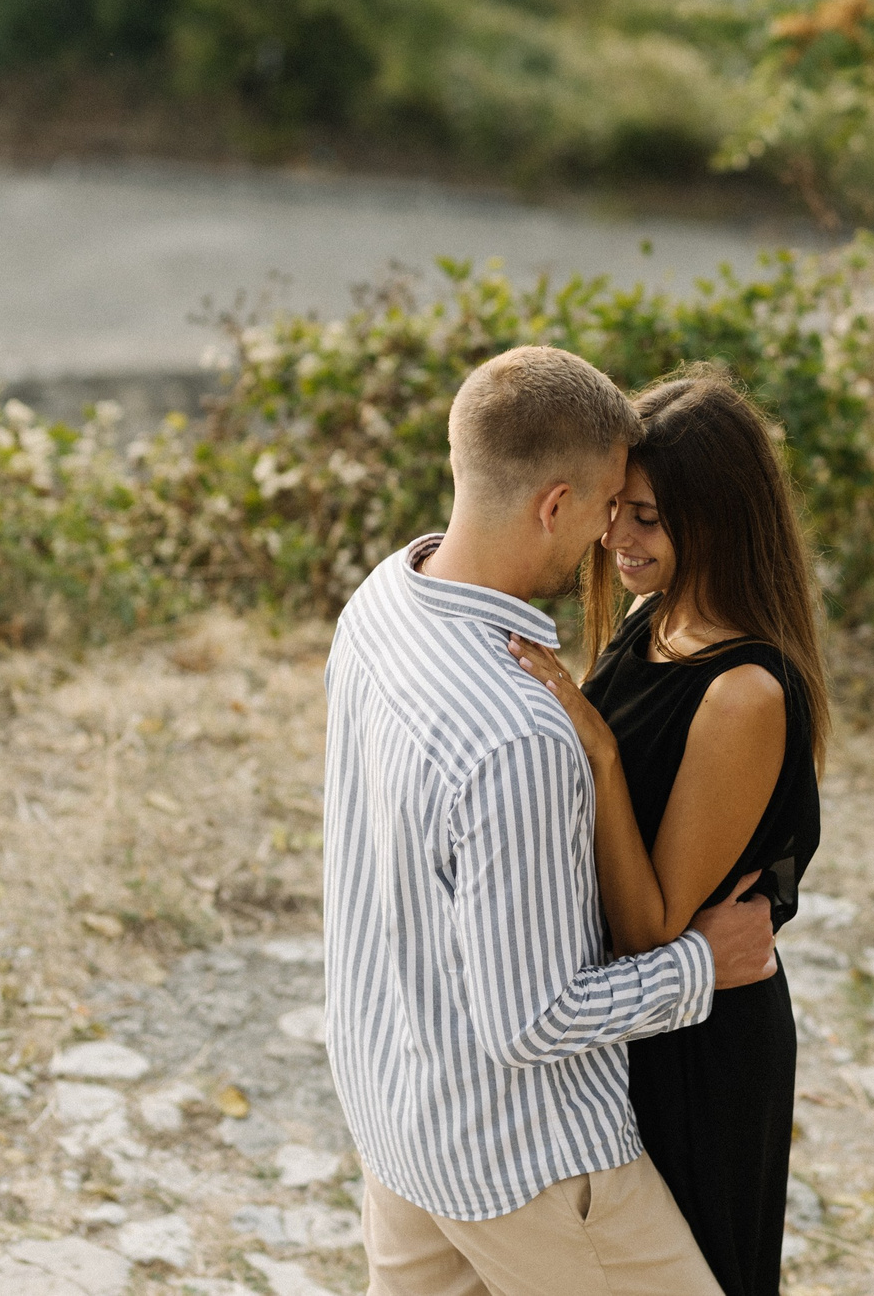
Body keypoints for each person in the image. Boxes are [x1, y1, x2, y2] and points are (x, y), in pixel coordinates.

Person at [321, 344, 777, 1296]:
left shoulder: (378, 603)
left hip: (398, 1112)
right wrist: (705, 962)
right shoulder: (516, 734)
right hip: (525, 1159)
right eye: (613, 502)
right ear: (554, 504)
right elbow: (531, 1018)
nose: (614, 531)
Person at [508, 364, 827, 1296]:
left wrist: (595, 744)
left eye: (647, 516)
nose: (617, 537)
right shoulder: (654, 618)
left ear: (717, 518)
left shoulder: (744, 692)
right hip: (637, 1017)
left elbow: (650, 922)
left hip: (702, 1050)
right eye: (616, 508)